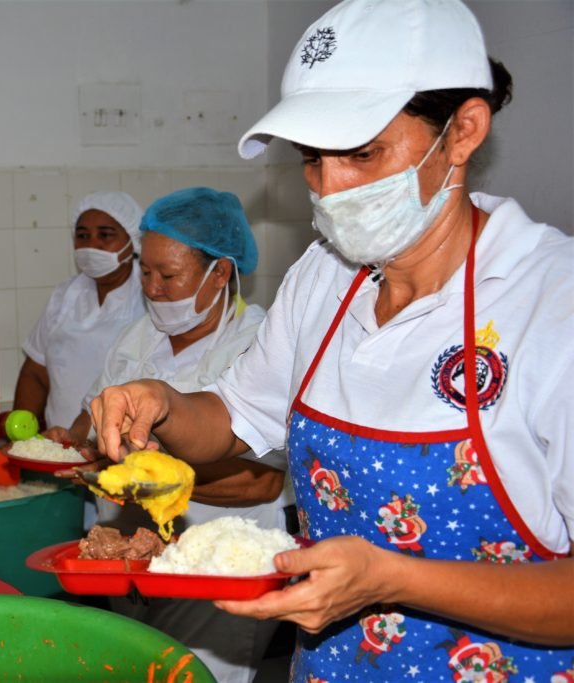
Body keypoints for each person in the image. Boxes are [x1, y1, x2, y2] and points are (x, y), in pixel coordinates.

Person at [89, 1, 574, 682]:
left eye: (363, 152)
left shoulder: (551, 303)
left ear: (463, 130)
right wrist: (164, 403)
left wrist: (390, 577)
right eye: (312, 158)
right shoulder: (324, 277)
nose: (330, 186)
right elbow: (231, 419)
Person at [48, 187, 289, 683]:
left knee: (195, 675)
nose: (153, 289)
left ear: (220, 272)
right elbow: (93, 417)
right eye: (146, 273)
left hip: (217, 564)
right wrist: (71, 444)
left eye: (170, 276)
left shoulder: (259, 346)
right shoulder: (138, 337)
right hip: (133, 563)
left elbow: (262, 482)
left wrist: (144, 481)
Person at [13, 191, 145, 430]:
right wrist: (22, 434)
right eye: (83, 236)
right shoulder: (65, 296)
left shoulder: (150, 297)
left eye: (105, 235)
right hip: (59, 443)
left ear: (133, 238)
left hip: (125, 445)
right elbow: (35, 373)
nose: (92, 245)